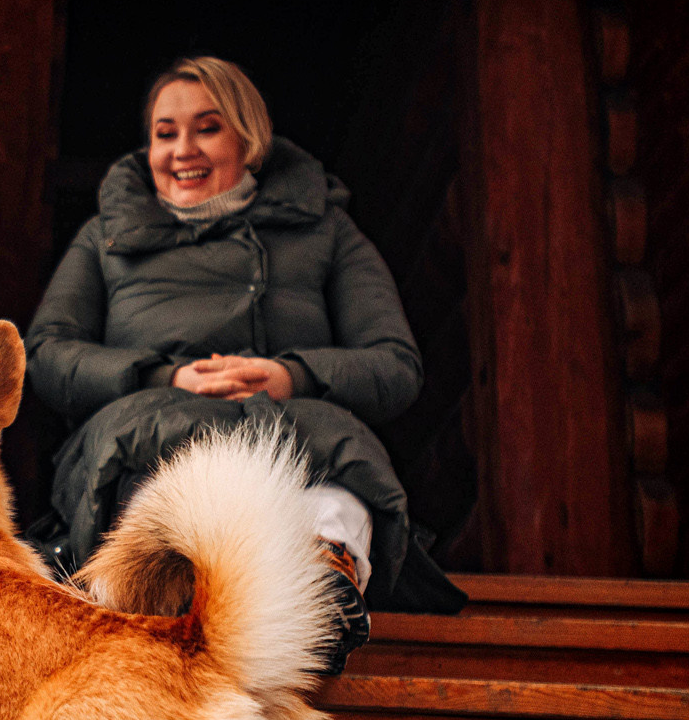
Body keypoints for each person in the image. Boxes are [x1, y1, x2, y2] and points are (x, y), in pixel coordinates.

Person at [25, 56, 463, 673]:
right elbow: (46, 354)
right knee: (151, 464)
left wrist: (291, 376)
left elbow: (394, 365)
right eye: (164, 132)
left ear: (250, 141)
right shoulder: (106, 237)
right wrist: (162, 376)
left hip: (287, 418)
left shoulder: (326, 231)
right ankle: (158, 593)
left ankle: (325, 597)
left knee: (336, 461)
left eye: (207, 128)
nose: (182, 150)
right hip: (146, 424)